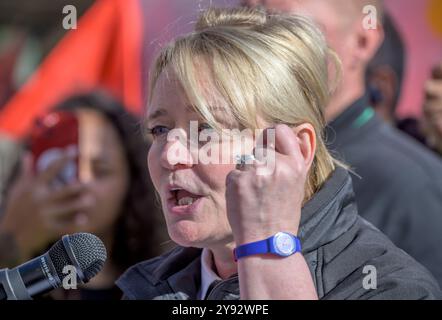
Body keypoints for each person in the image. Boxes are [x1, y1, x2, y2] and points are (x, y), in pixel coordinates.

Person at [116, 7, 440, 300]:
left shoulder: (389, 287)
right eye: (159, 129)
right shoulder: (145, 287)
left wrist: (267, 244)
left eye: (207, 129)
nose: (170, 155)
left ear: (295, 148)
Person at [247, 0, 442, 286]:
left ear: (362, 41)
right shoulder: (224, 160)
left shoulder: (411, 186)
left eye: (280, 26)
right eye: (243, 21)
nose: (248, 44)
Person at [0, 91, 167, 299]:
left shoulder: (167, 284)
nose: (80, 182)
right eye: (66, 167)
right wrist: (13, 240)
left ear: (132, 181)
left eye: (100, 170)